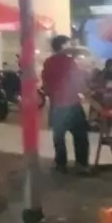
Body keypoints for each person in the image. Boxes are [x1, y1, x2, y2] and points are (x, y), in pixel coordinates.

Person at [42, 35, 90, 173]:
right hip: (72, 104)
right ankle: (81, 164)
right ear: (63, 46)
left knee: (59, 136)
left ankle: (61, 164)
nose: (71, 46)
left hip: (57, 105)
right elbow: (78, 81)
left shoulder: (48, 62)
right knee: (80, 135)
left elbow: (46, 84)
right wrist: (86, 93)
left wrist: (52, 94)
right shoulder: (69, 61)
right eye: (68, 44)